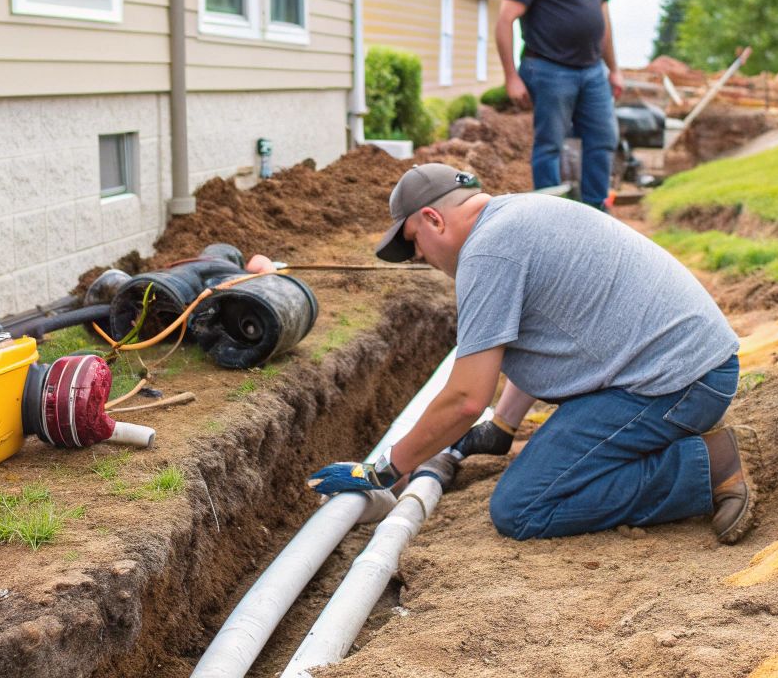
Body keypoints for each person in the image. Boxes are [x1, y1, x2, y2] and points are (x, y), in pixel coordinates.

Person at [308, 164, 755, 544]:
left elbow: (465, 398)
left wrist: (385, 470)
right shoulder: (516, 215)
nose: (419, 256)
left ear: (433, 218)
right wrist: (504, 424)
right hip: (685, 366)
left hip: (676, 382)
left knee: (523, 507)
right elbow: (545, 332)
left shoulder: (489, 253)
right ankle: (669, 445)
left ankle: (705, 466)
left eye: (414, 242)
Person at [496, 0, 626, 209]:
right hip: (548, 68)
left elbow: (603, 24)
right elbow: (505, 19)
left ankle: (596, 212)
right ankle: (553, 214)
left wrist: (614, 69)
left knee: (604, 139)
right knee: (550, 145)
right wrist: (511, 77)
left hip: (592, 71)